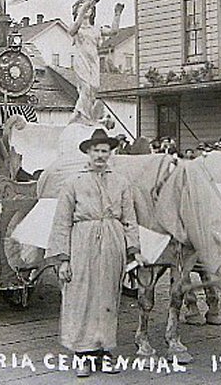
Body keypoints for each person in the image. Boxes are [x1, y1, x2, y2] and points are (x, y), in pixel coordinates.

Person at [47, 128, 142, 377]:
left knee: (108, 299)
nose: (100, 155)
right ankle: (82, 355)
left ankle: (104, 353)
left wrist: (133, 250)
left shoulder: (121, 182)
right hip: (82, 243)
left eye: (105, 151)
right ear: (88, 152)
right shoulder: (74, 183)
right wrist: (63, 259)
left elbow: (129, 219)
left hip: (112, 243)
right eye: (96, 150)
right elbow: (61, 222)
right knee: (80, 297)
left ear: (111, 153)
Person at [68, 0, 124, 125]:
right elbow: (74, 27)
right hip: (81, 59)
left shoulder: (96, 28)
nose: (87, 9)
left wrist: (117, 14)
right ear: (76, 11)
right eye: (81, 6)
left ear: (93, 11)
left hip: (93, 60)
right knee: (86, 87)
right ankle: (81, 115)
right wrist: (85, 7)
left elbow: (114, 32)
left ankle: (81, 114)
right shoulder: (75, 27)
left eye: (89, 8)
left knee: (94, 87)